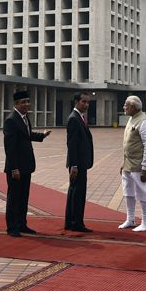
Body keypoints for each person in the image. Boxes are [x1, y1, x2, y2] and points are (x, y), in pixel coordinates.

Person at [3, 90, 51, 237]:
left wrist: (42, 135)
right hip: (16, 168)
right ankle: (12, 227)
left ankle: (22, 224)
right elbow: (9, 148)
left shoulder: (25, 118)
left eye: (28, 101)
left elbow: (27, 135)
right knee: (14, 198)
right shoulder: (11, 120)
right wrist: (14, 168)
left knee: (23, 197)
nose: (27, 104)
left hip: (26, 165)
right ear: (16, 104)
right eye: (23, 102)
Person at [119, 95, 146, 232]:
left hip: (140, 165)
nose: (124, 107)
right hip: (128, 163)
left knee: (142, 193)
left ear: (134, 107)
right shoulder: (131, 119)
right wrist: (123, 163)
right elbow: (128, 143)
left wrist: (145, 168)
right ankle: (130, 219)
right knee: (127, 191)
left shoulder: (143, 121)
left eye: (126, 105)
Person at [64, 92, 94, 232]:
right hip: (78, 164)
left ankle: (71, 221)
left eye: (88, 102)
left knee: (75, 192)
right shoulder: (74, 119)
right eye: (83, 102)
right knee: (78, 193)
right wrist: (74, 165)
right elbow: (72, 144)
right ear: (76, 101)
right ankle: (76, 223)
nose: (86, 105)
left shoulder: (79, 117)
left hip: (81, 163)